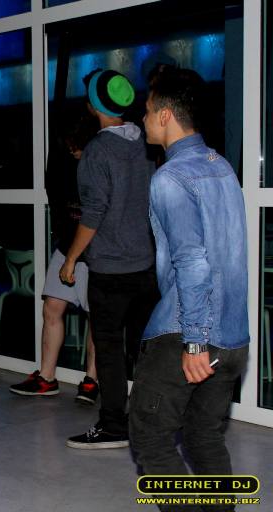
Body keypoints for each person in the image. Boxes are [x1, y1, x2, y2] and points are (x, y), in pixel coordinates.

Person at [130, 67, 249, 509]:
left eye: (146, 111)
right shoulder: (221, 167)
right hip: (233, 337)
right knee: (204, 436)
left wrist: (195, 342)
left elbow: (193, 262)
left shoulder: (171, 178)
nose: (143, 120)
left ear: (165, 116)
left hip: (187, 330)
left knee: (150, 435)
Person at [59, 69, 159, 449]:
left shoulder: (97, 150)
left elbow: (93, 213)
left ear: (93, 106)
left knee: (110, 350)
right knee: (143, 349)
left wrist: (71, 259)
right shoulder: (145, 142)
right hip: (145, 266)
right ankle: (148, 421)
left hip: (111, 271)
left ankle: (114, 425)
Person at [10, 112, 99, 403]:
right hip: (65, 249)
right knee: (51, 308)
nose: (72, 149)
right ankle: (47, 378)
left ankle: (91, 380)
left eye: (76, 144)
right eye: (69, 144)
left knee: (97, 318)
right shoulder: (64, 163)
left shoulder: (99, 164)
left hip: (95, 255)